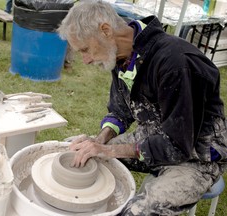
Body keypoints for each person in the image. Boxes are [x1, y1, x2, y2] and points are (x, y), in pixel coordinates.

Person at [57, 0, 227, 215]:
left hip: (197, 154)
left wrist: (109, 150)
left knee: (136, 212)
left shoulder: (176, 63)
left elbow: (178, 145)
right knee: (79, 153)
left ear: (106, 31)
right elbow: (120, 112)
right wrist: (99, 140)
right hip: (155, 137)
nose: (86, 60)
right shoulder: (120, 54)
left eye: (86, 50)